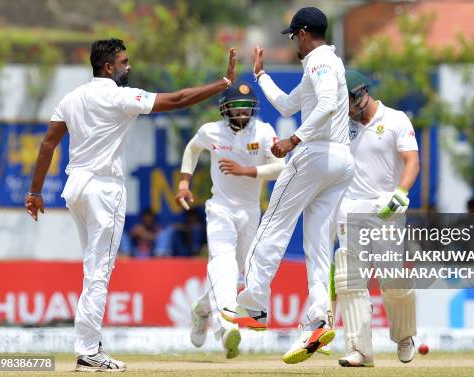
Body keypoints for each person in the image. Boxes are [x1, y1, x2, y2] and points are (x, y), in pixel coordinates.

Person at [24, 38, 237, 372]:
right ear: (108, 67)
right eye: (123, 62)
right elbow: (179, 99)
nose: (129, 67)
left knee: (92, 269)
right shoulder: (121, 96)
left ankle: (89, 345)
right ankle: (89, 351)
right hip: (104, 190)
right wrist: (223, 84)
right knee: (99, 272)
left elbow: (48, 143)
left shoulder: (72, 97)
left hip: (76, 187)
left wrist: (35, 192)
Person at [220, 6, 355, 365]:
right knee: (317, 243)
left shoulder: (319, 61)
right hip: (339, 161)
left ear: (304, 33)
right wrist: (260, 76)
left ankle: (254, 305)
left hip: (315, 154)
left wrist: (292, 141)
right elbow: (286, 105)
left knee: (273, 226)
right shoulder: (324, 64)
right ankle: (318, 319)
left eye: (294, 35)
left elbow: (325, 105)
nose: (293, 42)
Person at [175, 81, 284, 359]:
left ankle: (202, 309)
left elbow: (280, 167)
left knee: (246, 271)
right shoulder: (211, 130)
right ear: (225, 109)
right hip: (220, 209)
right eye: (236, 108)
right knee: (223, 265)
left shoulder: (264, 131)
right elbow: (191, 149)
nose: (242, 113)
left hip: (250, 211)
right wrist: (184, 183)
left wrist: (246, 170)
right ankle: (225, 330)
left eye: (247, 108)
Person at [333, 70, 420, 367]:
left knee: (392, 279)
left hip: (386, 209)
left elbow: (412, 161)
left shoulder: (396, 120)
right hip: (350, 208)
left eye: (345, 102)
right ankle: (360, 349)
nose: (343, 110)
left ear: (360, 95)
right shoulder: (342, 125)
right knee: (349, 279)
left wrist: (400, 192)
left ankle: (404, 333)